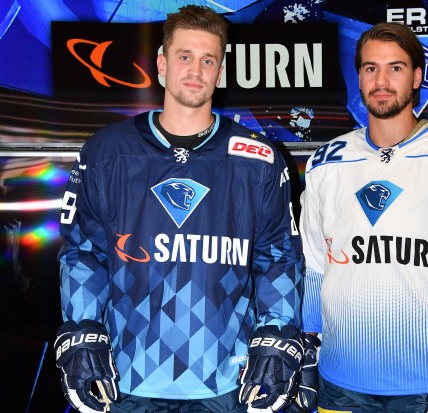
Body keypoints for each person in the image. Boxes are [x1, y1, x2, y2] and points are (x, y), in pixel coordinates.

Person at [54, 6, 308, 413]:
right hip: (127, 378)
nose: (196, 69)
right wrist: (83, 327)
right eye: (184, 57)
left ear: (221, 72)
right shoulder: (107, 151)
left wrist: (277, 333)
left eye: (209, 60)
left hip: (228, 382)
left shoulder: (257, 158)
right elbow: (84, 252)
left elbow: (278, 257)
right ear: (161, 65)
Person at [299, 22, 428, 413]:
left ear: (417, 77)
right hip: (340, 382)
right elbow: (315, 265)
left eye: (395, 68)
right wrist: (307, 342)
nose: (381, 80)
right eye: (370, 68)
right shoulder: (326, 161)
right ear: (359, 77)